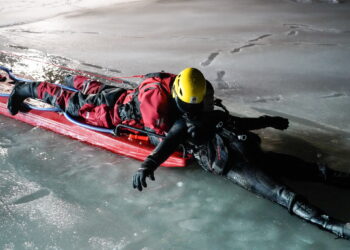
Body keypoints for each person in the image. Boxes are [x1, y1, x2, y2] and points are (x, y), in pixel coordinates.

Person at [6, 67, 350, 240]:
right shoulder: (171, 118)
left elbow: (231, 119)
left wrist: (269, 120)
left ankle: (336, 195)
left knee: (293, 173)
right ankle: (26, 87)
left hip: (219, 147)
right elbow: (169, 140)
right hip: (120, 113)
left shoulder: (202, 108)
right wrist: (148, 165)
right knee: (79, 102)